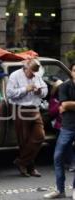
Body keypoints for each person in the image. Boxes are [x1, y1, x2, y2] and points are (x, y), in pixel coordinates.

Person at [6, 58, 48, 177]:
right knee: (24, 141)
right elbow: (9, 93)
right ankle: (31, 167)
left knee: (40, 136)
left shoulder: (37, 76)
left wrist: (39, 92)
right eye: (32, 72)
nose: (34, 75)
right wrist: (25, 89)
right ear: (26, 68)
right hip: (21, 109)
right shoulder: (15, 75)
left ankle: (21, 162)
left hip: (35, 109)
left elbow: (45, 90)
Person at [43, 63, 75, 199]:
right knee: (58, 157)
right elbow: (63, 104)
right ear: (71, 72)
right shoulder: (65, 86)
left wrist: (69, 105)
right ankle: (60, 189)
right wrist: (66, 105)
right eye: (74, 70)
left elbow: (67, 105)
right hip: (67, 127)